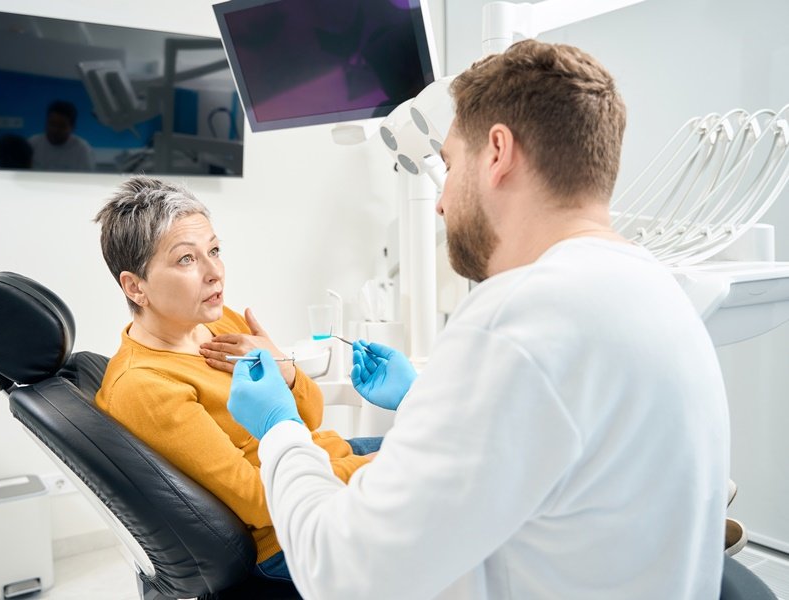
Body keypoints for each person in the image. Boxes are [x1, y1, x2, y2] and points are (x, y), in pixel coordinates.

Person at [227, 39, 730, 599]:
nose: (440, 202)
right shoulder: (653, 286)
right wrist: (420, 399)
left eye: (447, 163)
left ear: (496, 152)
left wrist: (279, 430)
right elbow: (565, 462)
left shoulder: (516, 317)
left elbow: (343, 574)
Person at [92, 175, 379, 583]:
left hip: (321, 463)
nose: (215, 273)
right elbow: (258, 503)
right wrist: (374, 471)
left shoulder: (216, 323)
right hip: (288, 533)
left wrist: (285, 368)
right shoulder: (145, 385)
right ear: (135, 287)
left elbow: (311, 418)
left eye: (214, 250)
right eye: (186, 259)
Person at [29, 100, 95, 172]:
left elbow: (86, 179)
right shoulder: (33, 143)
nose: (55, 130)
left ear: (72, 127)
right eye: (52, 124)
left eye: (61, 126)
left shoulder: (82, 150)